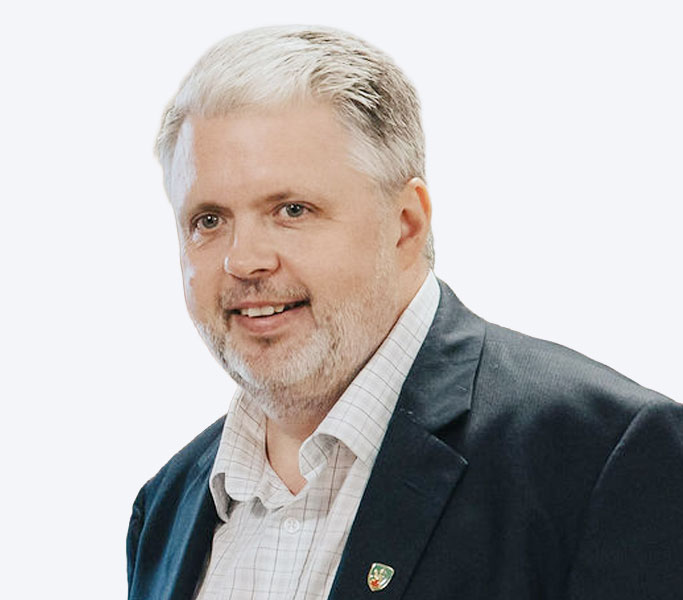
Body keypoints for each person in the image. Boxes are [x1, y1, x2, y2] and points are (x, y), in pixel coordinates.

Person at [127, 25, 683, 600]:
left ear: (406, 224)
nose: (243, 260)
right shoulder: (165, 509)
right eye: (209, 220)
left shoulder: (606, 457)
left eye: (292, 210)